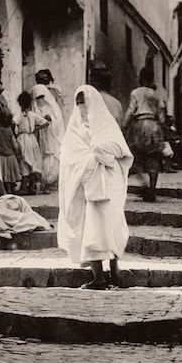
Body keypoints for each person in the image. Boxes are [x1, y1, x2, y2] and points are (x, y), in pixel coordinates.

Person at [57, 84, 133, 291]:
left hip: (108, 185)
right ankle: (98, 277)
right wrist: (90, 160)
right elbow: (68, 155)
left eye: (84, 103)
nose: (82, 108)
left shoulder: (106, 125)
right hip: (86, 187)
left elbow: (122, 152)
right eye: (78, 104)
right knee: (91, 230)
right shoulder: (75, 129)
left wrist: (101, 152)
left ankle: (115, 273)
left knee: (111, 226)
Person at [123, 65, 167, 202]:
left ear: (140, 78)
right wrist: (162, 128)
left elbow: (131, 111)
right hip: (154, 125)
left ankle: (144, 184)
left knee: (136, 156)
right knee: (154, 158)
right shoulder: (156, 95)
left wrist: (124, 126)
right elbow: (162, 114)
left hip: (139, 125)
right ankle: (152, 189)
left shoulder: (135, 93)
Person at [0, 76, 23, 193]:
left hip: (1, 155)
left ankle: (6, 191)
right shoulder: (8, 130)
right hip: (10, 155)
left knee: (4, 175)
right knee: (10, 176)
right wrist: (18, 153)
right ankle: (10, 191)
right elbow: (15, 144)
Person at [14, 90, 49, 195]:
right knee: (33, 160)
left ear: (20, 104)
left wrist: (15, 133)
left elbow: (13, 122)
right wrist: (34, 129)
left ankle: (25, 187)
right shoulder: (33, 115)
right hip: (32, 138)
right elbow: (46, 123)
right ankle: (32, 187)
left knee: (24, 160)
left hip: (23, 138)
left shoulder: (19, 114)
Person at [30, 83, 64, 188]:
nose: (40, 99)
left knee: (51, 156)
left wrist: (51, 118)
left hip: (50, 135)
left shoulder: (51, 107)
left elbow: (58, 121)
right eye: (38, 97)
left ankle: (52, 179)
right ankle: (42, 181)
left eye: (42, 97)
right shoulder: (34, 108)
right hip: (40, 136)